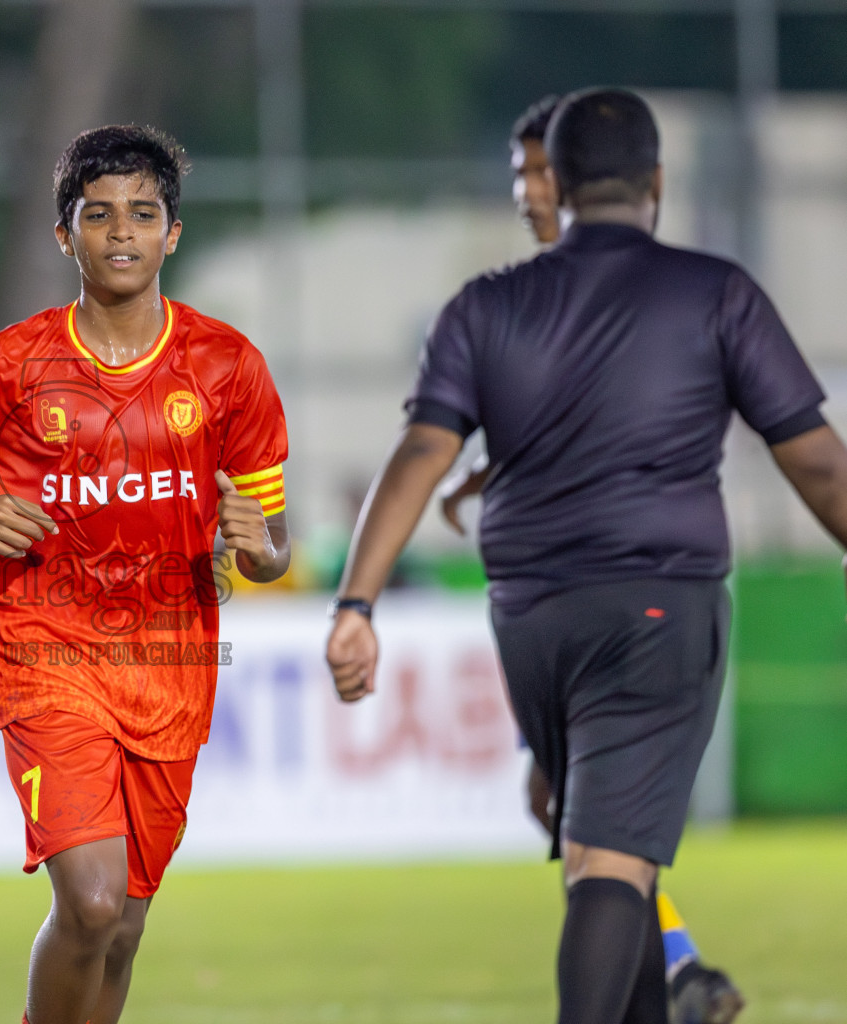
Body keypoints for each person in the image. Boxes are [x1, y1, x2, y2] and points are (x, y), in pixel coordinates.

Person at [325, 88, 847, 1024]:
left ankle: (677, 984)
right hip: (655, 608)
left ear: (553, 181)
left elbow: (416, 453)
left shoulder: (482, 307)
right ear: (655, 180)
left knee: (596, 837)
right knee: (605, 860)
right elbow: (814, 461)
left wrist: (354, 603)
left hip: (529, 619)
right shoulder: (713, 292)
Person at [0, 124, 291, 1024]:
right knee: (90, 901)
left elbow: (268, 549)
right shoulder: (10, 361)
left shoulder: (229, 368)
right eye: (99, 214)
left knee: (121, 931)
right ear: (63, 235)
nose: (122, 232)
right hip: (47, 656)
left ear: (172, 235)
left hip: (171, 670)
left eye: (143, 215)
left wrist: (254, 544)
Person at [439, 93, 745, 1023]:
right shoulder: (529, 298)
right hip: (564, 596)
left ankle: (680, 965)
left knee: (577, 817)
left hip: (615, 590)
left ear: (573, 179)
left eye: (541, 171)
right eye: (520, 175)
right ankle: (678, 973)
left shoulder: (627, 289)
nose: (530, 192)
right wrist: (487, 474)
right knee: (565, 809)